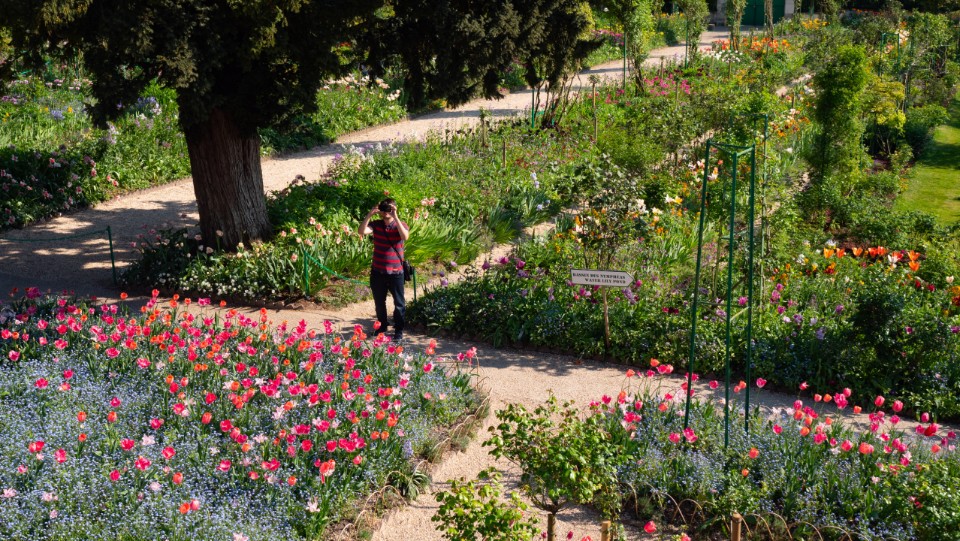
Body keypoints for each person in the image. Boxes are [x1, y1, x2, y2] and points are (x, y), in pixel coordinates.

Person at [359, 198, 409, 341]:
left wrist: (395, 216)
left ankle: (398, 330)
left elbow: (405, 236)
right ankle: (382, 326)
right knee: (379, 302)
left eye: (389, 208)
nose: (386, 211)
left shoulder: (401, 224)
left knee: (399, 304)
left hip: (396, 272)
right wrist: (370, 214)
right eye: (384, 209)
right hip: (378, 272)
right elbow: (361, 231)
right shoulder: (376, 224)